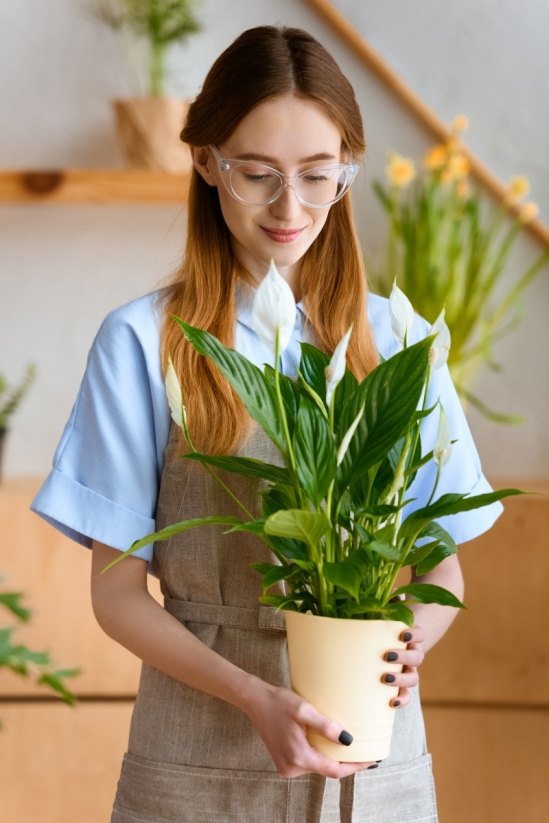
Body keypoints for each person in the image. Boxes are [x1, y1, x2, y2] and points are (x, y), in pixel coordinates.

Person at [31, 25, 502, 823]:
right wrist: (255, 696)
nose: (291, 209)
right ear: (205, 161)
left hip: (370, 759)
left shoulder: (396, 341)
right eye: (257, 174)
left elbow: (439, 566)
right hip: (195, 755)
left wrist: (399, 648)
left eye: (318, 177)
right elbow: (116, 594)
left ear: (347, 174)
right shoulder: (143, 341)